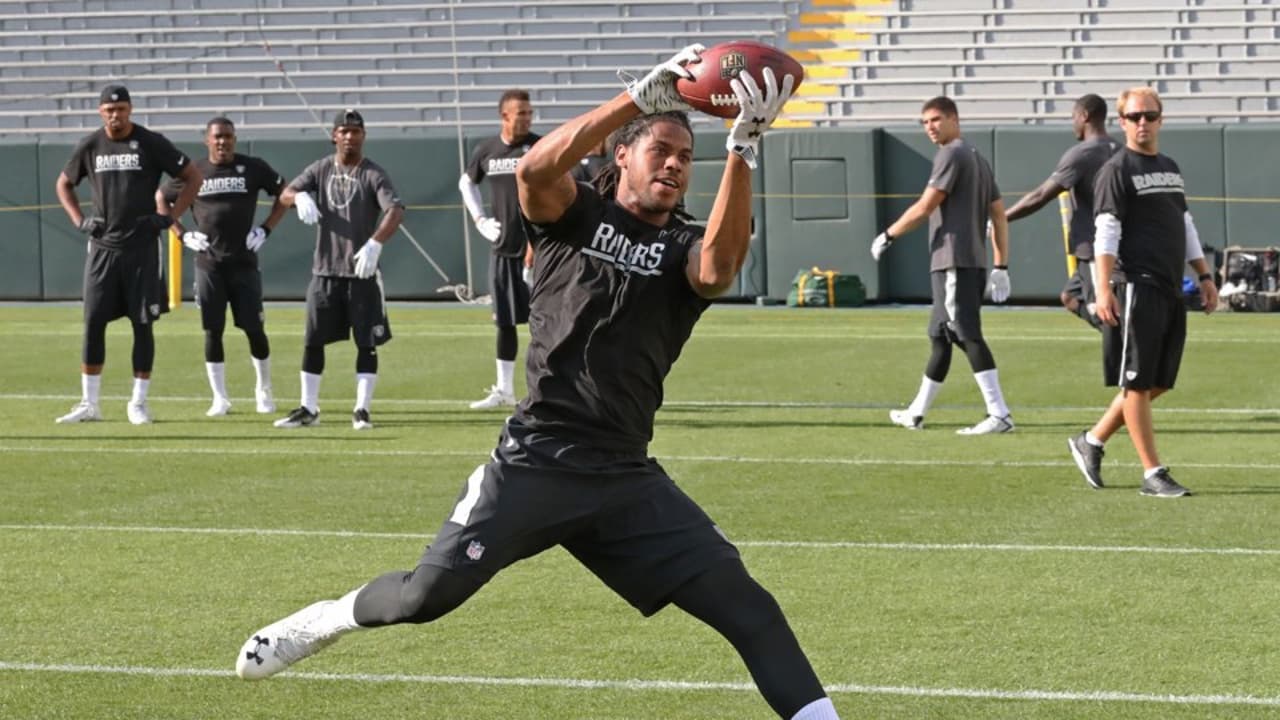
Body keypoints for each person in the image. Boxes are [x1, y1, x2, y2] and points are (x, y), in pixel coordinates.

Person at [234, 48, 842, 720]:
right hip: (537, 459)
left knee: (749, 608)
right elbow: (534, 170)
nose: (674, 163)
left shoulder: (685, 244)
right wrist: (636, 100)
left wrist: (743, 149)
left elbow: (719, 269)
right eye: (661, 150)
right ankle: (324, 620)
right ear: (623, 157)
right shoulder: (575, 214)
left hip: (623, 475)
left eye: (685, 157)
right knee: (422, 600)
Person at [1066, 87, 1218, 497]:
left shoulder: (1169, 166)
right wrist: (1102, 288)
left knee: (1158, 381)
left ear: (1161, 119)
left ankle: (1092, 440)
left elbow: (1183, 223)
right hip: (1134, 284)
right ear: (1122, 122)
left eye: (1149, 115)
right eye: (1134, 117)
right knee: (1136, 382)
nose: (1143, 123)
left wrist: (1204, 276)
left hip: (1169, 286)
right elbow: (1106, 232)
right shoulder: (1116, 169)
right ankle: (1153, 473)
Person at [53, 84, 202, 425]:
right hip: (103, 248)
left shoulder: (150, 142)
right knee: (92, 323)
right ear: (100, 112)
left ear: (130, 110)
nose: (115, 116)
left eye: (120, 110)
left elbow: (192, 176)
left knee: (143, 324)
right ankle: (90, 403)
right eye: (108, 110)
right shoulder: (91, 144)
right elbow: (63, 183)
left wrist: (171, 216)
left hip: (141, 248)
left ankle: (138, 403)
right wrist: (79, 220)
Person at [871, 96, 1015, 435]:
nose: (930, 128)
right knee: (940, 335)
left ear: (954, 119)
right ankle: (916, 413)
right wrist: (1000, 264)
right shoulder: (977, 157)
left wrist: (888, 234)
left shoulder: (952, 154)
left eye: (936, 119)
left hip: (954, 259)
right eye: (924, 123)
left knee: (964, 332)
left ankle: (999, 414)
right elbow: (998, 214)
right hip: (966, 261)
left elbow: (926, 206)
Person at [273, 109, 404, 431]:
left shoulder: (373, 173)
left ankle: (362, 409)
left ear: (363, 135)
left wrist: (375, 243)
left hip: (360, 273)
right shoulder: (320, 169)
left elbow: (395, 210)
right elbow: (285, 193)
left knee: (366, 342)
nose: (349, 136)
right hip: (325, 271)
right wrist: (299, 196)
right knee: (313, 341)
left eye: (355, 131)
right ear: (334, 135)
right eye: (344, 131)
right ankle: (309, 407)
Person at [158, 117, 288, 417]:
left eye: (228, 136)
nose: (223, 142)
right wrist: (180, 233)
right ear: (207, 140)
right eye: (217, 137)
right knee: (212, 332)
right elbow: (161, 198)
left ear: (235, 138)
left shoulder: (253, 167)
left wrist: (266, 229)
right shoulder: (195, 172)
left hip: (244, 263)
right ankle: (220, 397)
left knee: (255, 329)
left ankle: (263, 389)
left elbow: (284, 194)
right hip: (209, 265)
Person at [1004, 94, 1120, 330]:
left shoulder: (1082, 154)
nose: (1073, 124)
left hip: (1094, 249)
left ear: (1084, 116)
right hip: (1120, 247)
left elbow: (1039, 196)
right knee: (1070, 297)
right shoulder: (1122, 150)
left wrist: (1001, 218)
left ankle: (1126, 358)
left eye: (1074, 117)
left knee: (1106, 315)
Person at [458, 89, 541, 409]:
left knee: (546, 324)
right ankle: (504, 390)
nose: (528, 118)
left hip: (540, 253)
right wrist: (479, 219)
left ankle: (546, 391)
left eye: (530, 112)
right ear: (504, 116)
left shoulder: (538, 146)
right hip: (503, 251)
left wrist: (540, 240)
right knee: (505, 323)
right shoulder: (488, 150)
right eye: (521, 113)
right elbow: (466, 183)